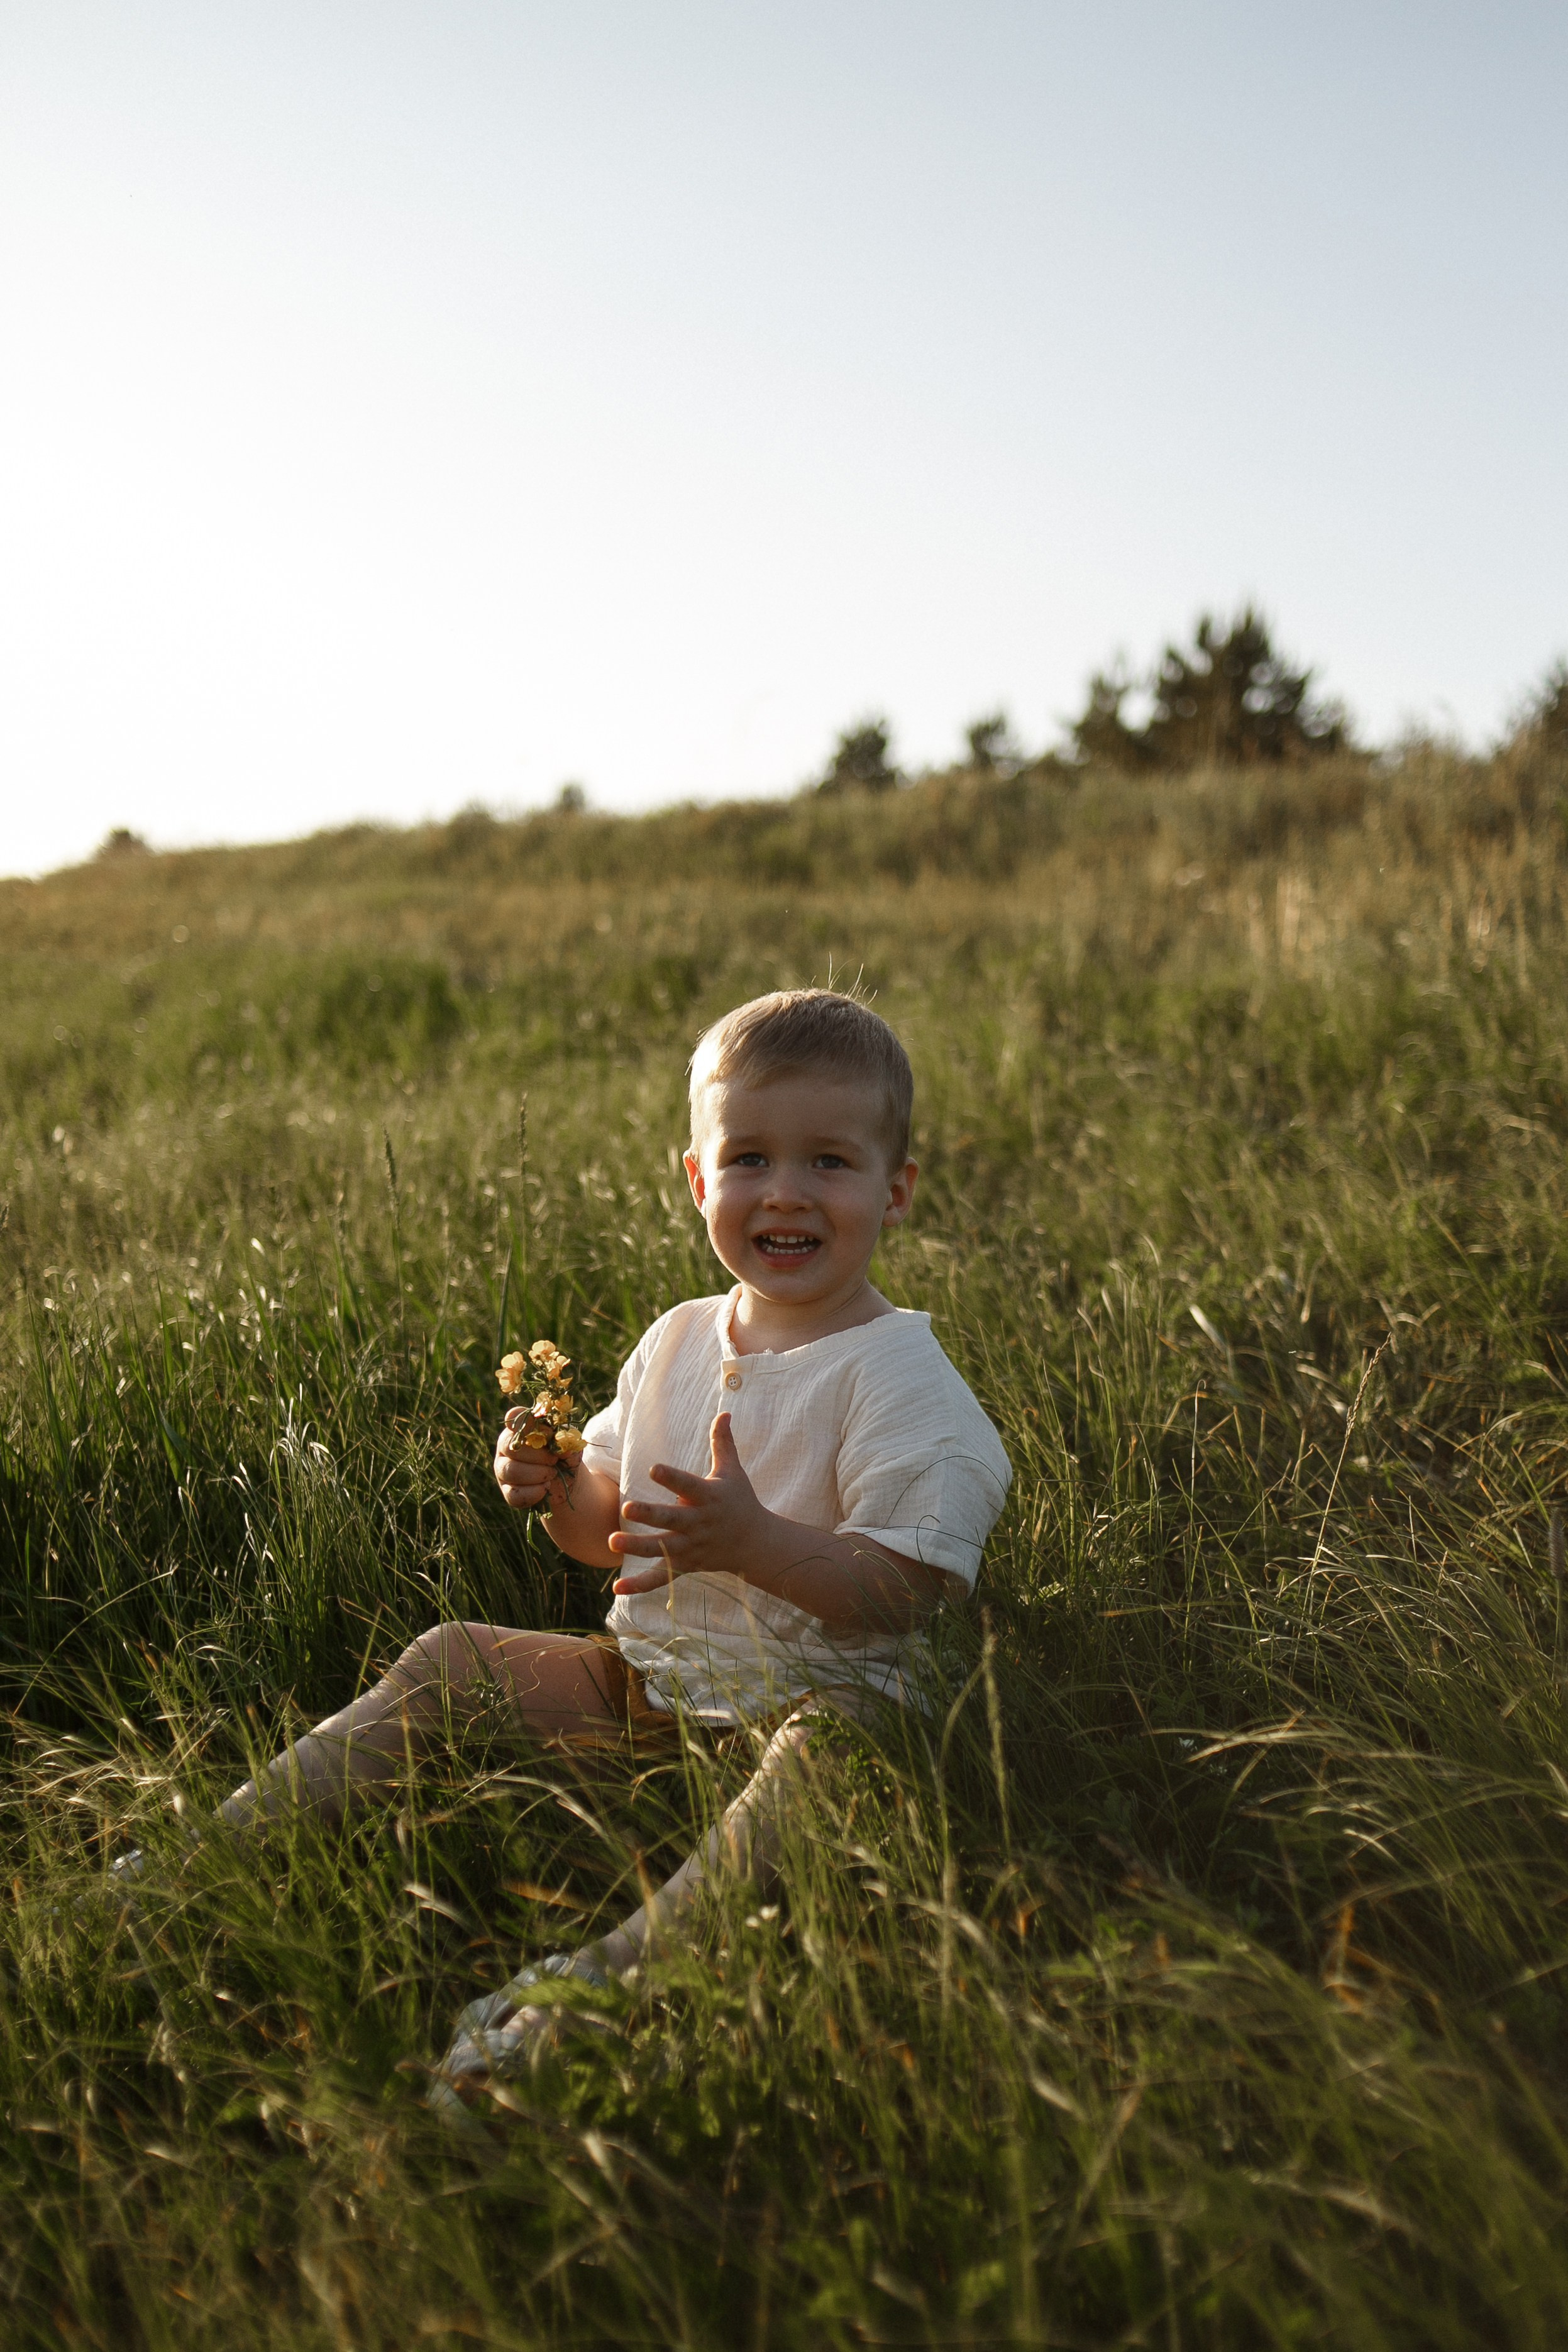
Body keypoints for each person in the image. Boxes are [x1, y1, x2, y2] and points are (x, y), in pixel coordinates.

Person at [196, 990, 1012, 2102]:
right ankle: (205, 1861)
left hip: (825, 1700)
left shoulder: (901, 1380)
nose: (784, 1191)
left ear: (895, 1189)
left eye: (829, 1161)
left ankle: (601, 1982)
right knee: (450, 1656)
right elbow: (609, 1536)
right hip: (651, 1687)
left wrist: (758, 1544)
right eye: (749, 1159)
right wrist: (558, 1486)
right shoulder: (676, 1338)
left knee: (833, 1754)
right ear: (696, 1180)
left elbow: (908, 1596)